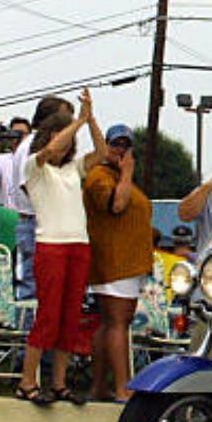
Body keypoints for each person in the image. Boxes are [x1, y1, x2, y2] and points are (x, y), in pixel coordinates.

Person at [15, 90, 103, 406]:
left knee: (70, 316)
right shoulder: (34, 168)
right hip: (51, 245)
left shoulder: (73, 169)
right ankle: (27, 381)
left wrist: (90, 120)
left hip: (78, 245)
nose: (64, 142)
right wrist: (77, 120)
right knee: (48, 316)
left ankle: (59, 382)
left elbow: (102, 153)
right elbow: (51, 148)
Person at [83, 123, 156, 404]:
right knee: (118, 323)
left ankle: (99, 387)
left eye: (126, 145)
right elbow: (116, 205)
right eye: (115, 145)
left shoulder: (115, 174)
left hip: (127, 262)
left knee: (109, 323)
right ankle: (123, 387)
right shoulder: (101, 176)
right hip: (115, 261)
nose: (121, 150)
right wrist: (126, 174)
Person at [0, 114, 36, 297]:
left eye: (22, 134)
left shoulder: (35, 157)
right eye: (14, 133)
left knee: (28, 276)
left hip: (31, 221)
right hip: (6, 223)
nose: (18, 138)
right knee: (1, 275)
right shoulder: (3, 159)